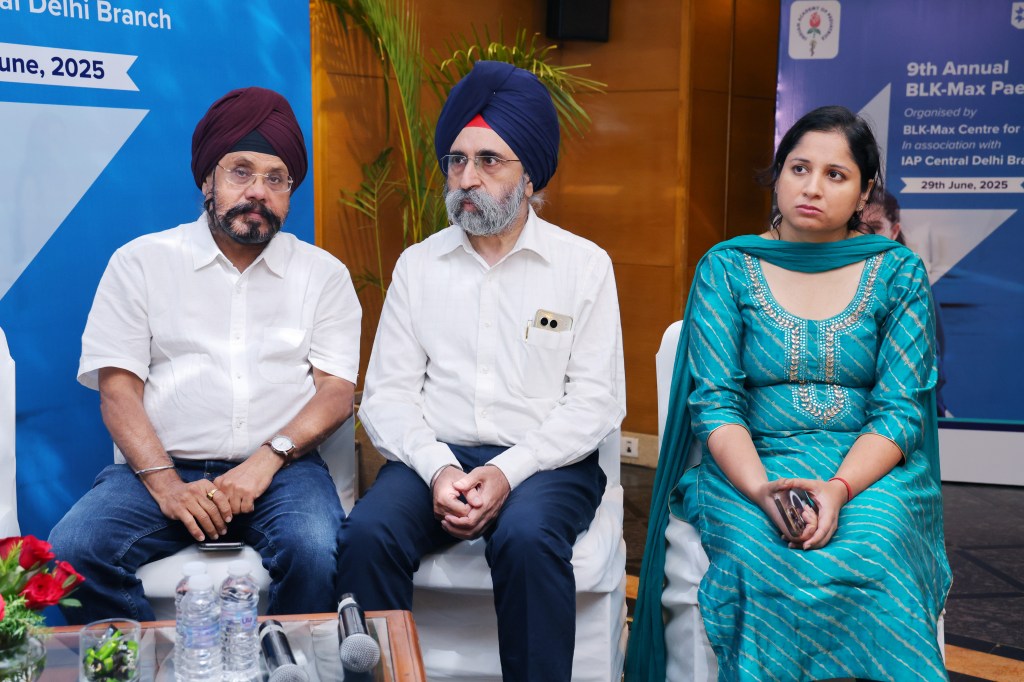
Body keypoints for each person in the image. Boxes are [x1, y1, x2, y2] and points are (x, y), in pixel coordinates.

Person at [627, 106, 952, 681]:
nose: (812, 187)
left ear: (864, 192)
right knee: (761, 553)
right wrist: (761, 491)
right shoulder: (728, 268)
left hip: (867, 473)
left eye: (836, 174)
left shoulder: (897, 273)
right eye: (799, 168)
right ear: (778, 174)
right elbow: (715, 403)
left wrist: (838, 489)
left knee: (875, 547)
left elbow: (900, 410)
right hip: (752, 467)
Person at [336, 60, 625, 681]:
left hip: (546, 462)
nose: (468, 178)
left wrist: (506, 471)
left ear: (529, 175)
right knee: (367, 535)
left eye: (490, 161)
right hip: (435, 457)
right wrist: (439, 468)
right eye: (457, 160)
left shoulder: (583, 266)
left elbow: (596, 401)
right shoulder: (419, 266)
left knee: (526, 537)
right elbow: (386, 396)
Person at [48, 87, 361, 623]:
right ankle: (145, 662)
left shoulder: (323, 274)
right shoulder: (140, 263)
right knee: (74, 549)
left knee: (315, 549)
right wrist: (166, 485)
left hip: (282, 470)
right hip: (161, 467)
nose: (258, 191)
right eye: (241, 172)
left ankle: (284, 661)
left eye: (277, 179)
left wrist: (265, 461)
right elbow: (118, 390)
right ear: (207, 181)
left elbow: (336, 392)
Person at [862, 189, 952, 416]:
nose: (866, 236)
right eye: (858, 227)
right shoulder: (830, 278)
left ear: (894, 231)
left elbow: (932, 368)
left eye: (875, 227)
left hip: (903, 417)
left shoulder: (912, 283)